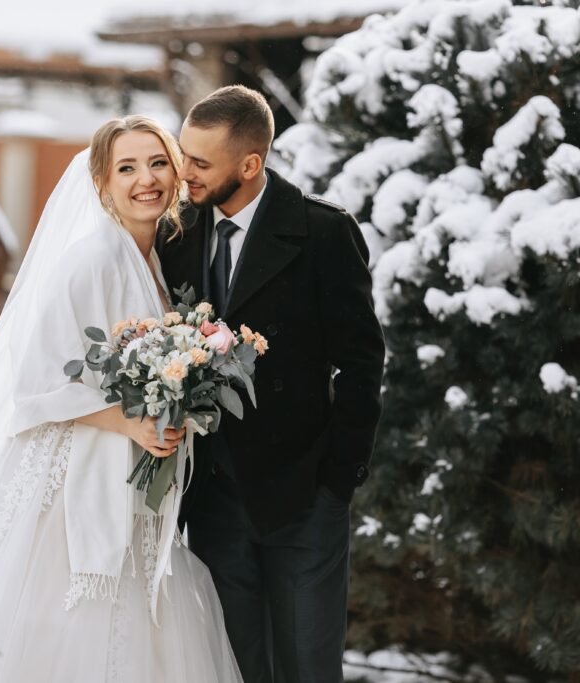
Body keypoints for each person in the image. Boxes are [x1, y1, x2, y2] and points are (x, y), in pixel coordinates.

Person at [0, 116, 242, 683]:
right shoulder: (90, 261)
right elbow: (32, 387)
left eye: (159, 162)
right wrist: (129, 423)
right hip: (72, 487)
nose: (147, 179)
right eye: (127, 168)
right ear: (101, 184)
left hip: (133, 481)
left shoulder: (153, 261)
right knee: (67, 633)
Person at [158, 85, 386, 683]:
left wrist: (337, 480)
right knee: (233, 667)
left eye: (200, 162)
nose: (184, 172)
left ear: (250, 164)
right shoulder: (176, 235)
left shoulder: (323, 233)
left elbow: (362, 364)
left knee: (308, 668)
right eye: (183, 154)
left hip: (303, 496)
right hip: (212, 500)